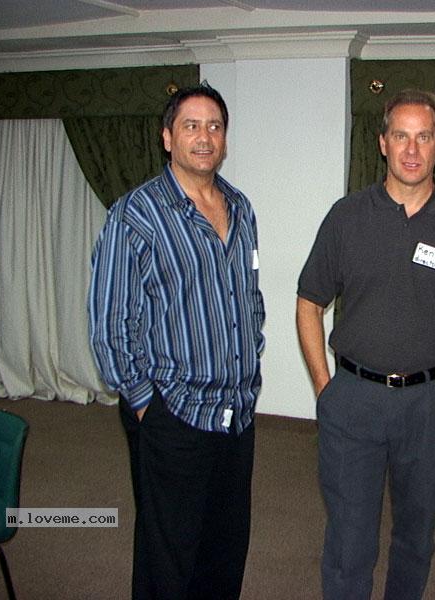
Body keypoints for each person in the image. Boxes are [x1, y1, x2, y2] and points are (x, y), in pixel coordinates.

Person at [297, 89, 435, 600]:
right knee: (349, 540)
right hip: (353, 400)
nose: (411, 149)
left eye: (424, 137)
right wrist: (325, 389)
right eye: (400, 135)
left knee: (416, 538)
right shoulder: (346, 217)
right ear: (383, 143)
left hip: (430, 405)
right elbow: (309, 302)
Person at [88, 83, 264, 600]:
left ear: (225, 139)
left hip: (236, 415)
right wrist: (146, 404)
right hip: (174, 412)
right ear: (167, 137)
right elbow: (110, 322)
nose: (204, 137)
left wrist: (250, 355)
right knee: (168, 558)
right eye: (191, 126)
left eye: (214, 127)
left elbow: (248, 297)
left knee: (225, 551)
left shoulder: (240, 207)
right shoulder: (135, 215)